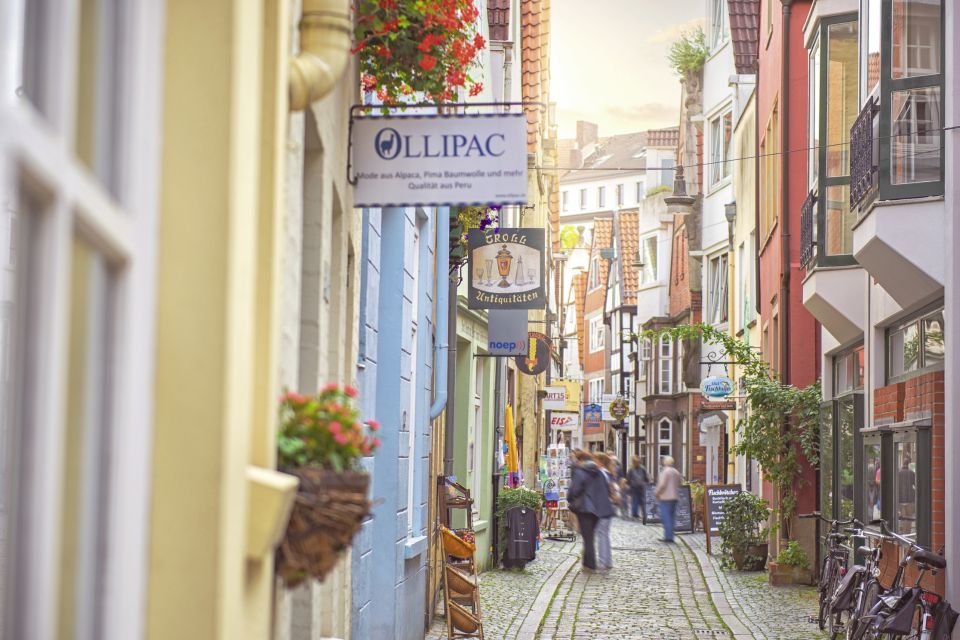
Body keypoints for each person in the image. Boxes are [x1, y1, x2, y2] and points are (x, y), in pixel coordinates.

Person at [568, 449, 613, 570]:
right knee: (590, 535)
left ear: (582, 461)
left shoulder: (580, 472)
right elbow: (605, 490)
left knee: (587, 536)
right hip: (598, 509)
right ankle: (588, 562)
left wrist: (571, 499)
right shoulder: (599, 472)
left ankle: (589, 563)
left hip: (585, 508)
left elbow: (574, 490)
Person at [594, 453, 617, 570]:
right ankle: (608, 561)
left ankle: (603, 562)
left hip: (602, 508)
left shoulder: (600, 474)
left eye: (596, 460)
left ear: (601, 462)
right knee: (605, 535)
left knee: (602, 535)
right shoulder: (608, 473)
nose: (594, 463)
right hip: (609, 507)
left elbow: (600, 493)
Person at [654, 456, 682, 543]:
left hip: (666, 498)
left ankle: (668, 536)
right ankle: (671, 536)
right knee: (672, 517)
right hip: (674, 497)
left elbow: (662, 484)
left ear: (665, 462)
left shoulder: (665, 471)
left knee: (666, 517)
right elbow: (679, 482)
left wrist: (657, 493)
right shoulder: (675, 472)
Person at [627, 456, 650, 520]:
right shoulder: (643, 468)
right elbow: (646, 478)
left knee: (635, 500)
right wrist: (647, 483)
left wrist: (629, 484)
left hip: (634, 487)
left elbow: (628, 478)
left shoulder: (631, 469)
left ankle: (635, 514)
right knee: (642, 501)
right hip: (641, 487)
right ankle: (643, 514)